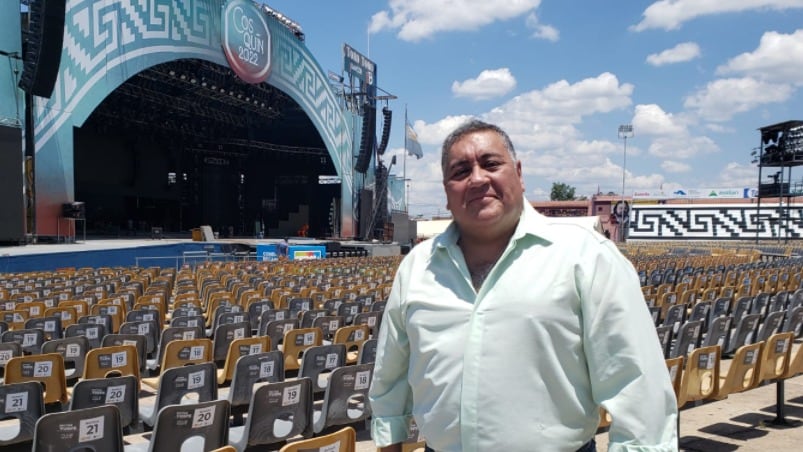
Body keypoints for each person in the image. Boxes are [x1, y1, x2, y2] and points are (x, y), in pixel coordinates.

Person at [369, 119, 678, 452]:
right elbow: (391, 379)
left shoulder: (586, 256)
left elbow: (638, 387)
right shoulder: (417, 267)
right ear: (447, 192)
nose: (477, 179)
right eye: (460, 172)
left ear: (519, 173)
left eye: (490, 164)